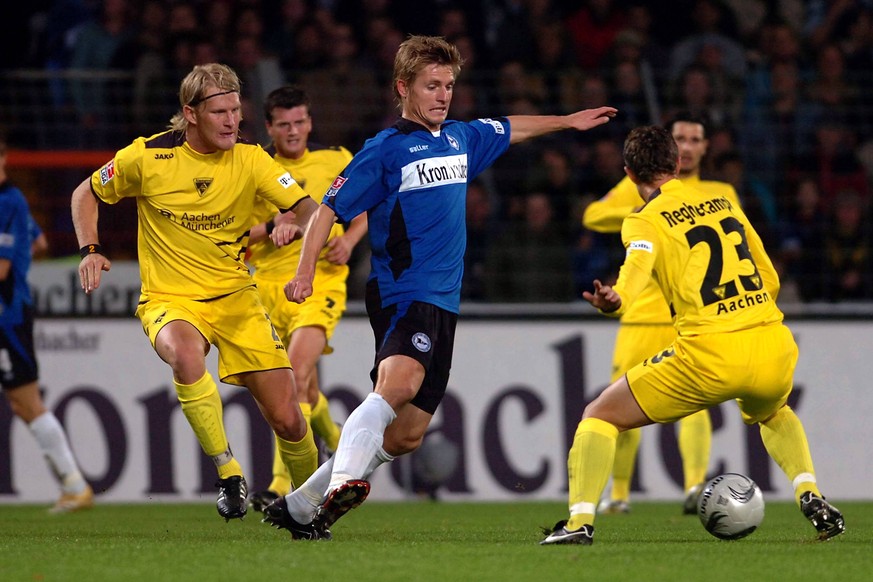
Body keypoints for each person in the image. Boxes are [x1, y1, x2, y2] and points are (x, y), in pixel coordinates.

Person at [262, 34, 616, 541]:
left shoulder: (461, 138)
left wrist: (568, 121)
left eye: (449, 85)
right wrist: (303, 271)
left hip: (443, 303)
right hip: (402, 293)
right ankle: (343, 480)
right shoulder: (384, 150)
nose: (443, 94)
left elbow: (512, 127)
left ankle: (301, 504)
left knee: (405, 435)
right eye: (432, 85)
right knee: (398, 385)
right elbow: (326, 211)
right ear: (403, 87)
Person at [542, 125, 845, 545]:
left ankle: (579, 523)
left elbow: (635, 271)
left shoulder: (643, 221)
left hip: (709, 354)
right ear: (677, 162)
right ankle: (808, 492)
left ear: (629, 175)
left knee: (599, 415)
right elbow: (768, 273)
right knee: (773, 412)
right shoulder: (722, 200)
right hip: (771, 343)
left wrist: (617, 299)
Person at [70, 63, 320, 522]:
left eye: (236, 110)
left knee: (288, 418)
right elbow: (85, 193)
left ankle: (309, 512)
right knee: (185, 354)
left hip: (236, 299)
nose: (232, 121)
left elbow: (308, 209)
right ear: (190, 113)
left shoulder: (251, 160)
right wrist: (91, 249)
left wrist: (294, 225)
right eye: (220, 112)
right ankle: (229, 474)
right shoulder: (145, 157)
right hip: (171, 298)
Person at [582, 113, 740, 515]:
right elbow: (592, 216)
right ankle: (618, 495)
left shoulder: (720, 192)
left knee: (698, 403)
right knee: (621, 399)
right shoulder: (641, 189)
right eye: (681, 138)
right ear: (672, 150)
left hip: (690, 313)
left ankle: (694, 487)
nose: (687, 145)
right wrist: (650, 209)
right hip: (640, 312)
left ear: (705, 148)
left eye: (696, 139)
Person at [246, 85, 367, 512]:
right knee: (305, 389)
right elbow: (237, 238)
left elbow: (363, 208)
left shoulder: (336, 159)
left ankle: (281, 485)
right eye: (284, 124)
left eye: (300, 122)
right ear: (270, 127)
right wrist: (271, 225)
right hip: (267, 288)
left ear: (310, 122)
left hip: (322, 282)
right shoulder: (253, 166)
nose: (294, 131)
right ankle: (337, 446)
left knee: (294, 375)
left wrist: (350, 241)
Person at [1, 135, 94, 513]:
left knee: (26, 402)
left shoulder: (7, 201)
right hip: (12, 311)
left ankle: (75, 485)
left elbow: (3, 267)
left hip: (7, 317)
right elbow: (37, 243)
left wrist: (16, 268)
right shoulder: (15, 203)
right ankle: (74, 485)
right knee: (24, 404)